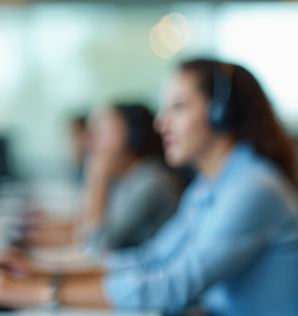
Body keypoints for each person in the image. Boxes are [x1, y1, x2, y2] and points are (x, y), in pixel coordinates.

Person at [0, 59, 298, 316]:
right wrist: (41, 273)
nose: (161, 121)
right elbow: (151, 260)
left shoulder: (251, 188)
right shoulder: (212, 185)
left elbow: (174, 287)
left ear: (220, 115)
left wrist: (38, 293)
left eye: (178, 107)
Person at [23, 104, 181, 251]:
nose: (91, 142)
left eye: (101, 133)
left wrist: (98, 180)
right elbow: (82, 229)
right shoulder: (125, 179)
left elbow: (95, 247)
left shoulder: (151, 183)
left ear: (133, 137)